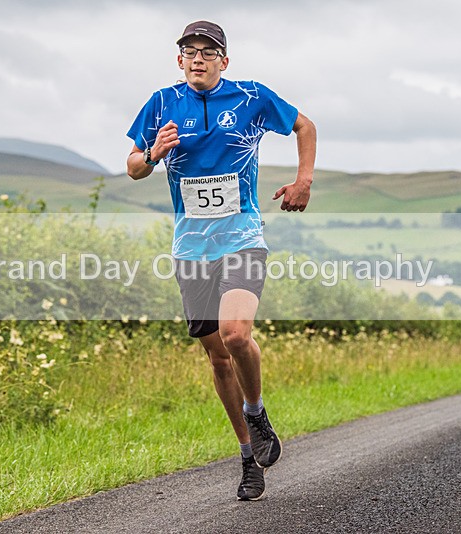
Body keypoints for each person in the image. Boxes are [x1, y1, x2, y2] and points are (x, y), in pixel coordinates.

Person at [126, 20, 316, 501]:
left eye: (207, 52)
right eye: (188, 51)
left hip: (242, 238)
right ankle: (248, 454)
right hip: (191, 249)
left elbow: (304, 125)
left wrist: (303, 181)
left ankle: (256, 410)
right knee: (217, 356)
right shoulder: (162, 103)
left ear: (223, 61)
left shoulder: (250, 96)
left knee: (236, 335)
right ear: (179, 60)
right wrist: (153, 153)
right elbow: (132, 168)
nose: (196, 58)